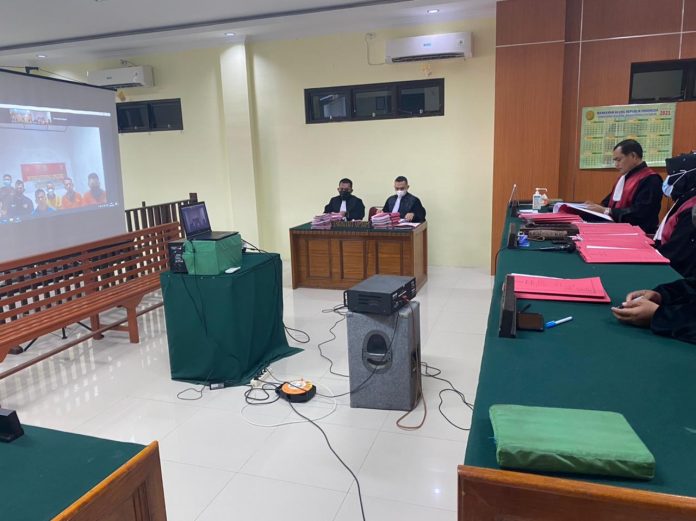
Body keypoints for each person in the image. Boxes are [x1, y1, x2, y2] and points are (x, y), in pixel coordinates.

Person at [584, 139, 662, 234]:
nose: (616, 165)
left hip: (638, 233)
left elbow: (641, 213)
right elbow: (610, 202)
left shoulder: (651, 179)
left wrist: (606, 211)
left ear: (633, 156)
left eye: (619, 160)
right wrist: (596, 206)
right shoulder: (624, 178)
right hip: (619, 229)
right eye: (615, 160)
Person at [654, 161, 696, 277]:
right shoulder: (684, 199)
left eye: (672, 175)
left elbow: (677, 251)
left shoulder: (691, 209)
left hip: (678, 272)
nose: (667, 180)